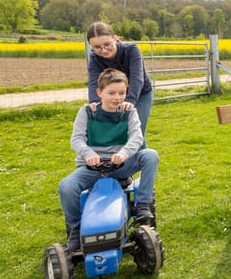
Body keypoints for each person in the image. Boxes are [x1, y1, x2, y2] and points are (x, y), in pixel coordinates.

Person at [58, 68, 159, 252]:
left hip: (120, 165)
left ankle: (142, 205)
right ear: (100, 92)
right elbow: (77, 139)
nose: (117, 98)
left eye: (122, 93)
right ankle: (76, 228)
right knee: (66, 186)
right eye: (111, 93)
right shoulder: (87, 112)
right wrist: (89, 155)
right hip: (91, 169)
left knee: (150, 155)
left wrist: (124, 153)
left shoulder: (129, 111)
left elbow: (137, 137)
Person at [86, 21, 153, 145]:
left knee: (135, 133)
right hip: (113, 97)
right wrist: (95, 105)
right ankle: (121, 163)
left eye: (107, 44)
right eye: (97, 47)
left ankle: (145, 162)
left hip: (140, 95)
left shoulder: (131, 50)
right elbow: (94, 84)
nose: (104, 50)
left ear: (115, 38)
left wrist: (129, 101)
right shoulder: (95, 59)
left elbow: (137, 78)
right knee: (118, 135)